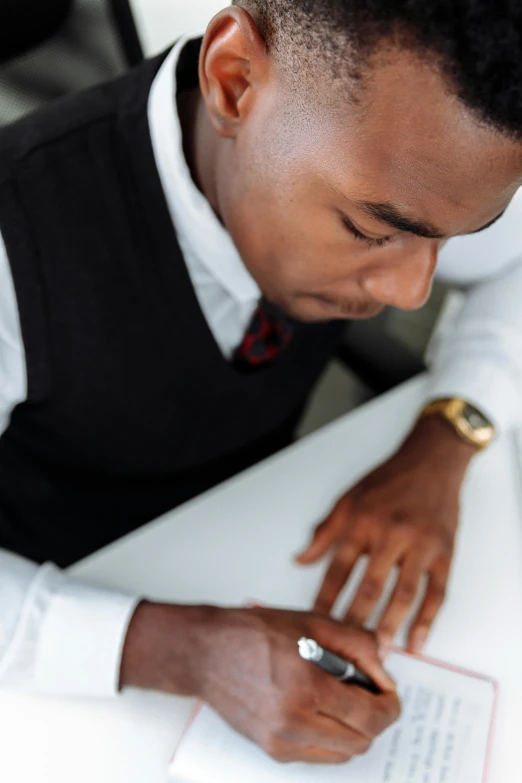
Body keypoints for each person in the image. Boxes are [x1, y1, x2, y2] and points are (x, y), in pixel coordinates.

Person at [1, 0, 522, 765]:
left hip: (263, 531)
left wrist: (452, 425)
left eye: (450, 238)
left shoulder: (415, 155)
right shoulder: (17, 238)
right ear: (235, 81)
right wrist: (181, 651)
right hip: (60, 630)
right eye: (371, 231)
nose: (414, 291)